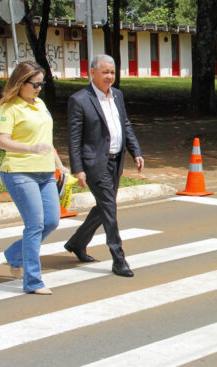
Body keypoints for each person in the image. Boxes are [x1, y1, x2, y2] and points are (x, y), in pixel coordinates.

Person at [64, 54, 144, 277]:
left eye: (112, 72)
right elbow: (74, 138)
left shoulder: (117, 95)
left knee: (103, 207)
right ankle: (118, 259)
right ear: (92, 72)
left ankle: (77, 243)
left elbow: (125, 125)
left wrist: (135, 150)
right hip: (94, 163)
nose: (109, 77)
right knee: (109, 208)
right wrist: (78, 168)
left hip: (115, 160)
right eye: (105, 72)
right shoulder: (80, 99)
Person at [0, 60, 68, 295]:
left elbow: (46, 139)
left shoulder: (41, 104)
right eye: (34, 84)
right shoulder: (8, 108)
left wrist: (60, 165)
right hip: (19, 172)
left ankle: (14, 255)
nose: (38, 88)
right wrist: (30, 149)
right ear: (20, 83)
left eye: (41, 84)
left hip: (46, 173)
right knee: (35, 224)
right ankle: (33, 281)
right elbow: (2, 141)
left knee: (51, 221)